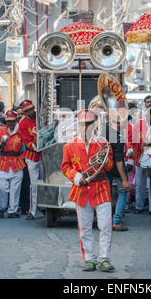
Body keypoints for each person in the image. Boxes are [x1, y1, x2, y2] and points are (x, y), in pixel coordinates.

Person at [61, 109, 115, 272]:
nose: (85, 128)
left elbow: (109, 166)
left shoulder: (103, 143)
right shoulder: (70, 145)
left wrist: (105, 156)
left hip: (101, 188)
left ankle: (104, 258)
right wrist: (77, 177)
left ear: (95, 125)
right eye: (82, 124)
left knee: (105, 225)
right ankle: (90, 259)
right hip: (82, 190)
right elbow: (65, 166)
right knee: (84, 227)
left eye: (89, 124)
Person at [0, 110, 25, 219]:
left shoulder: (21, 131)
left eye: (12, 121)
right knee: (2, 188)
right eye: (8, 121)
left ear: (16, 121)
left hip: (17, 161)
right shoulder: (1, 130)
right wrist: (1, 144)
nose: (10, 123)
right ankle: (2, 207)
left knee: (15, 189)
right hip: (4, 161)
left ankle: (13, 210)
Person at [104, 109, 132, 232]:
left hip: (104, 169)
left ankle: (106, 220)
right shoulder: (118, 136)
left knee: (106, 194)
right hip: (115, 170)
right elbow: (119, 160)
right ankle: (115, 221)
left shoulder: (103, 130)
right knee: (122, 192)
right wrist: (125, 180)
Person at [18, 100, 42, 220]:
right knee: (34, 184)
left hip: (46, 154)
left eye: (31, 109)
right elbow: (27, 142)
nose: (30, 112)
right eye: (27, 111)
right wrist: (37, 144)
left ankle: (45, 207)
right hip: (32, 156)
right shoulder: (22, 124)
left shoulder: (41, 116)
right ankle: (33, 211)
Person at [133, 104, 151, 214]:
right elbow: (134, 142)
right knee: (140, 184)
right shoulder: (138, 124)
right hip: (140, 157)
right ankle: (139, 206)